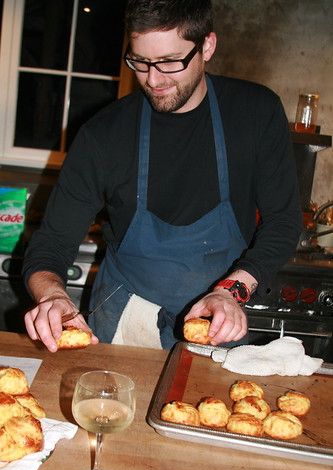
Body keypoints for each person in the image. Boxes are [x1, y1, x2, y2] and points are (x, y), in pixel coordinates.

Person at [22, 0, 302, 352]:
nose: (153, 80)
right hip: (123, 321)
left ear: (208, 46)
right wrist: (52, 296)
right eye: (140, 62)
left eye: (170, 62)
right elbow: (50, 245)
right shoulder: (103, 135)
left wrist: (232, 290)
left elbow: (284, 222)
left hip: (220, 319)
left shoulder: (255, 113)